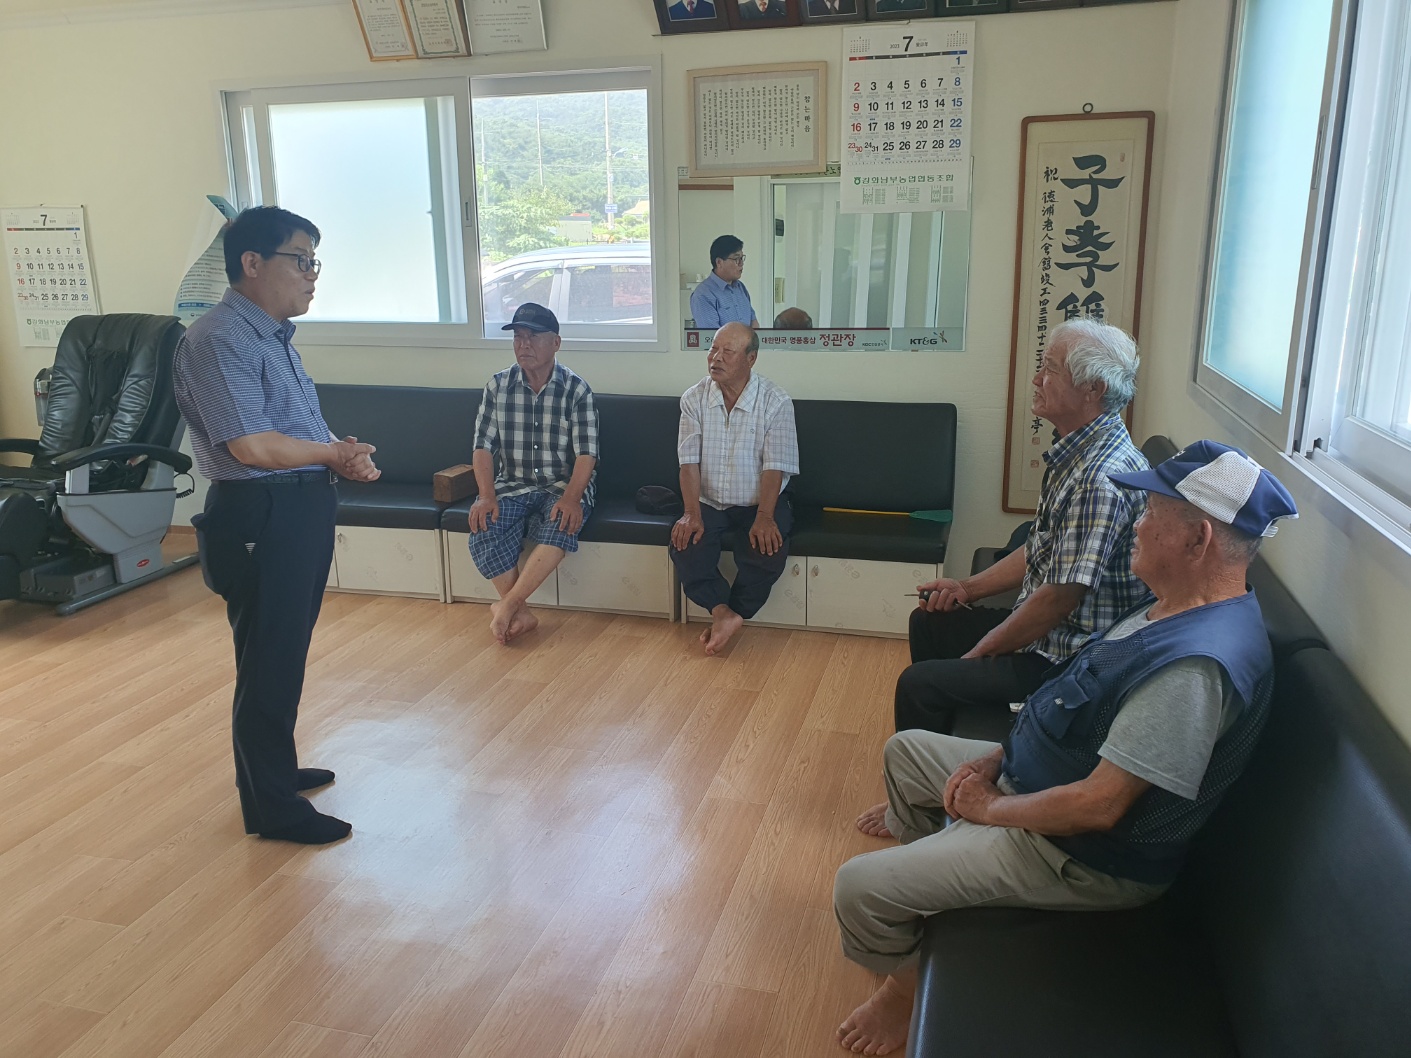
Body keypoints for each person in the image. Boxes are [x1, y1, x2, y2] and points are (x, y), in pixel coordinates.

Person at [831, 440, 1298, 1056]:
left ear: (1198, 539)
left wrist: (989, 809)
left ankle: (903, 990)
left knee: (858, 888)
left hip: (1078, 854)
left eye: (1151, 513)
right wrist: (997, 759)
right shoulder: (1173, 607)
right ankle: (935, 874)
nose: (1137, 525)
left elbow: (1099, 807)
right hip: (1036, 781)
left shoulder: (1194, 669)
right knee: (906, 752)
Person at [856, 319, 1149, 835]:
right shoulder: (1078, 449)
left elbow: (1058, 599)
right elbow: (1039, 545)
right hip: (1050, 634)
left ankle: (917, 818)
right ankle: (932, 779)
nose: (1036, 379)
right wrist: (964, 588)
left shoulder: (1100, 477)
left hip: (1068, 661)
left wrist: (984, 650)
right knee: (930, 622)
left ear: (1093, 389)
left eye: (1049, 369)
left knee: (919, 685)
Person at [174, 206, 380, 846]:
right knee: (267, 660)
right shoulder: (219, 340)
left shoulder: (272, 337)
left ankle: (276, 771)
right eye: (301, 260)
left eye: (315, 261)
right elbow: (252, 446)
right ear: (252, 263)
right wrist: (331, 454)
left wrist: (342, 454)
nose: (313, 274)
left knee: (281, 653)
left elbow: (297, 430)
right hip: (260, 514)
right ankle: (270, 807)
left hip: (297, 508)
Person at [469, 302, 599, 646]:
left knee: (561, 522)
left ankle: (508, 604)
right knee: (483, 525)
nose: (523, 344)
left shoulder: (576, 389)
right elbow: (482, 448)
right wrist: (485, 495)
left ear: (556, 342)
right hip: (513, 483)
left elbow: (586, 454)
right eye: (518, 337)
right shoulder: (497, 386)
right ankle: (520, 611)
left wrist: (572, 499)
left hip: (562, 485)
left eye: (533, 337)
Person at [672, 321, 799, 656]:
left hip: (759, 501)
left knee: (766, 548)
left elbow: (775, 466)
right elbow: (688, 463)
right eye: (713, 348)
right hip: (709, 499)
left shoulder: (775, 401)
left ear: (750, 359)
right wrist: (691, 513)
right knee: (685, 543)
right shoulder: (694, 398)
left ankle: (735, 613)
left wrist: (765, 516)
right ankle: (721, 612)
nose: (716, 357)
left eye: (727, 351)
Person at [689, 235, 758, 329]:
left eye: (742, 258)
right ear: (719, 262)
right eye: (736, 259)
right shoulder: (703, 295)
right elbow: (711, 335)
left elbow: (753, 321)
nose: (741, 264)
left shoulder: (740, 287)